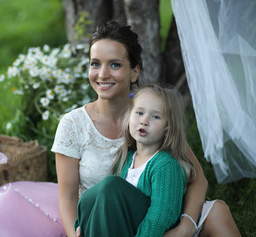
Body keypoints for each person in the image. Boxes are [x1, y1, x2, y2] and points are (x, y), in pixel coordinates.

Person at [52, 20, 240, 237]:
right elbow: (67, 197)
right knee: (108, 189)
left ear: (134, 72)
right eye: (95, 64)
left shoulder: (148, 114)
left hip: (155, 216)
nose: (102, 74)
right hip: (104, 223)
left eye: (115, 65)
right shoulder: (73, 124)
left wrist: (186, 225)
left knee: (217, 211)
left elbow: (198, 179)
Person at [75, 84, 195, 236]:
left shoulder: (165, 165)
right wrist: (82, 223)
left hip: (148, 233)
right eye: (139, 113)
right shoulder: (127, 159)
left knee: (111, 185)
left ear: (167, 128)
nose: (144, 121)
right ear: (129, 117)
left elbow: (161, 216)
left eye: (155, 116)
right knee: (90, 195)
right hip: (123, 227)